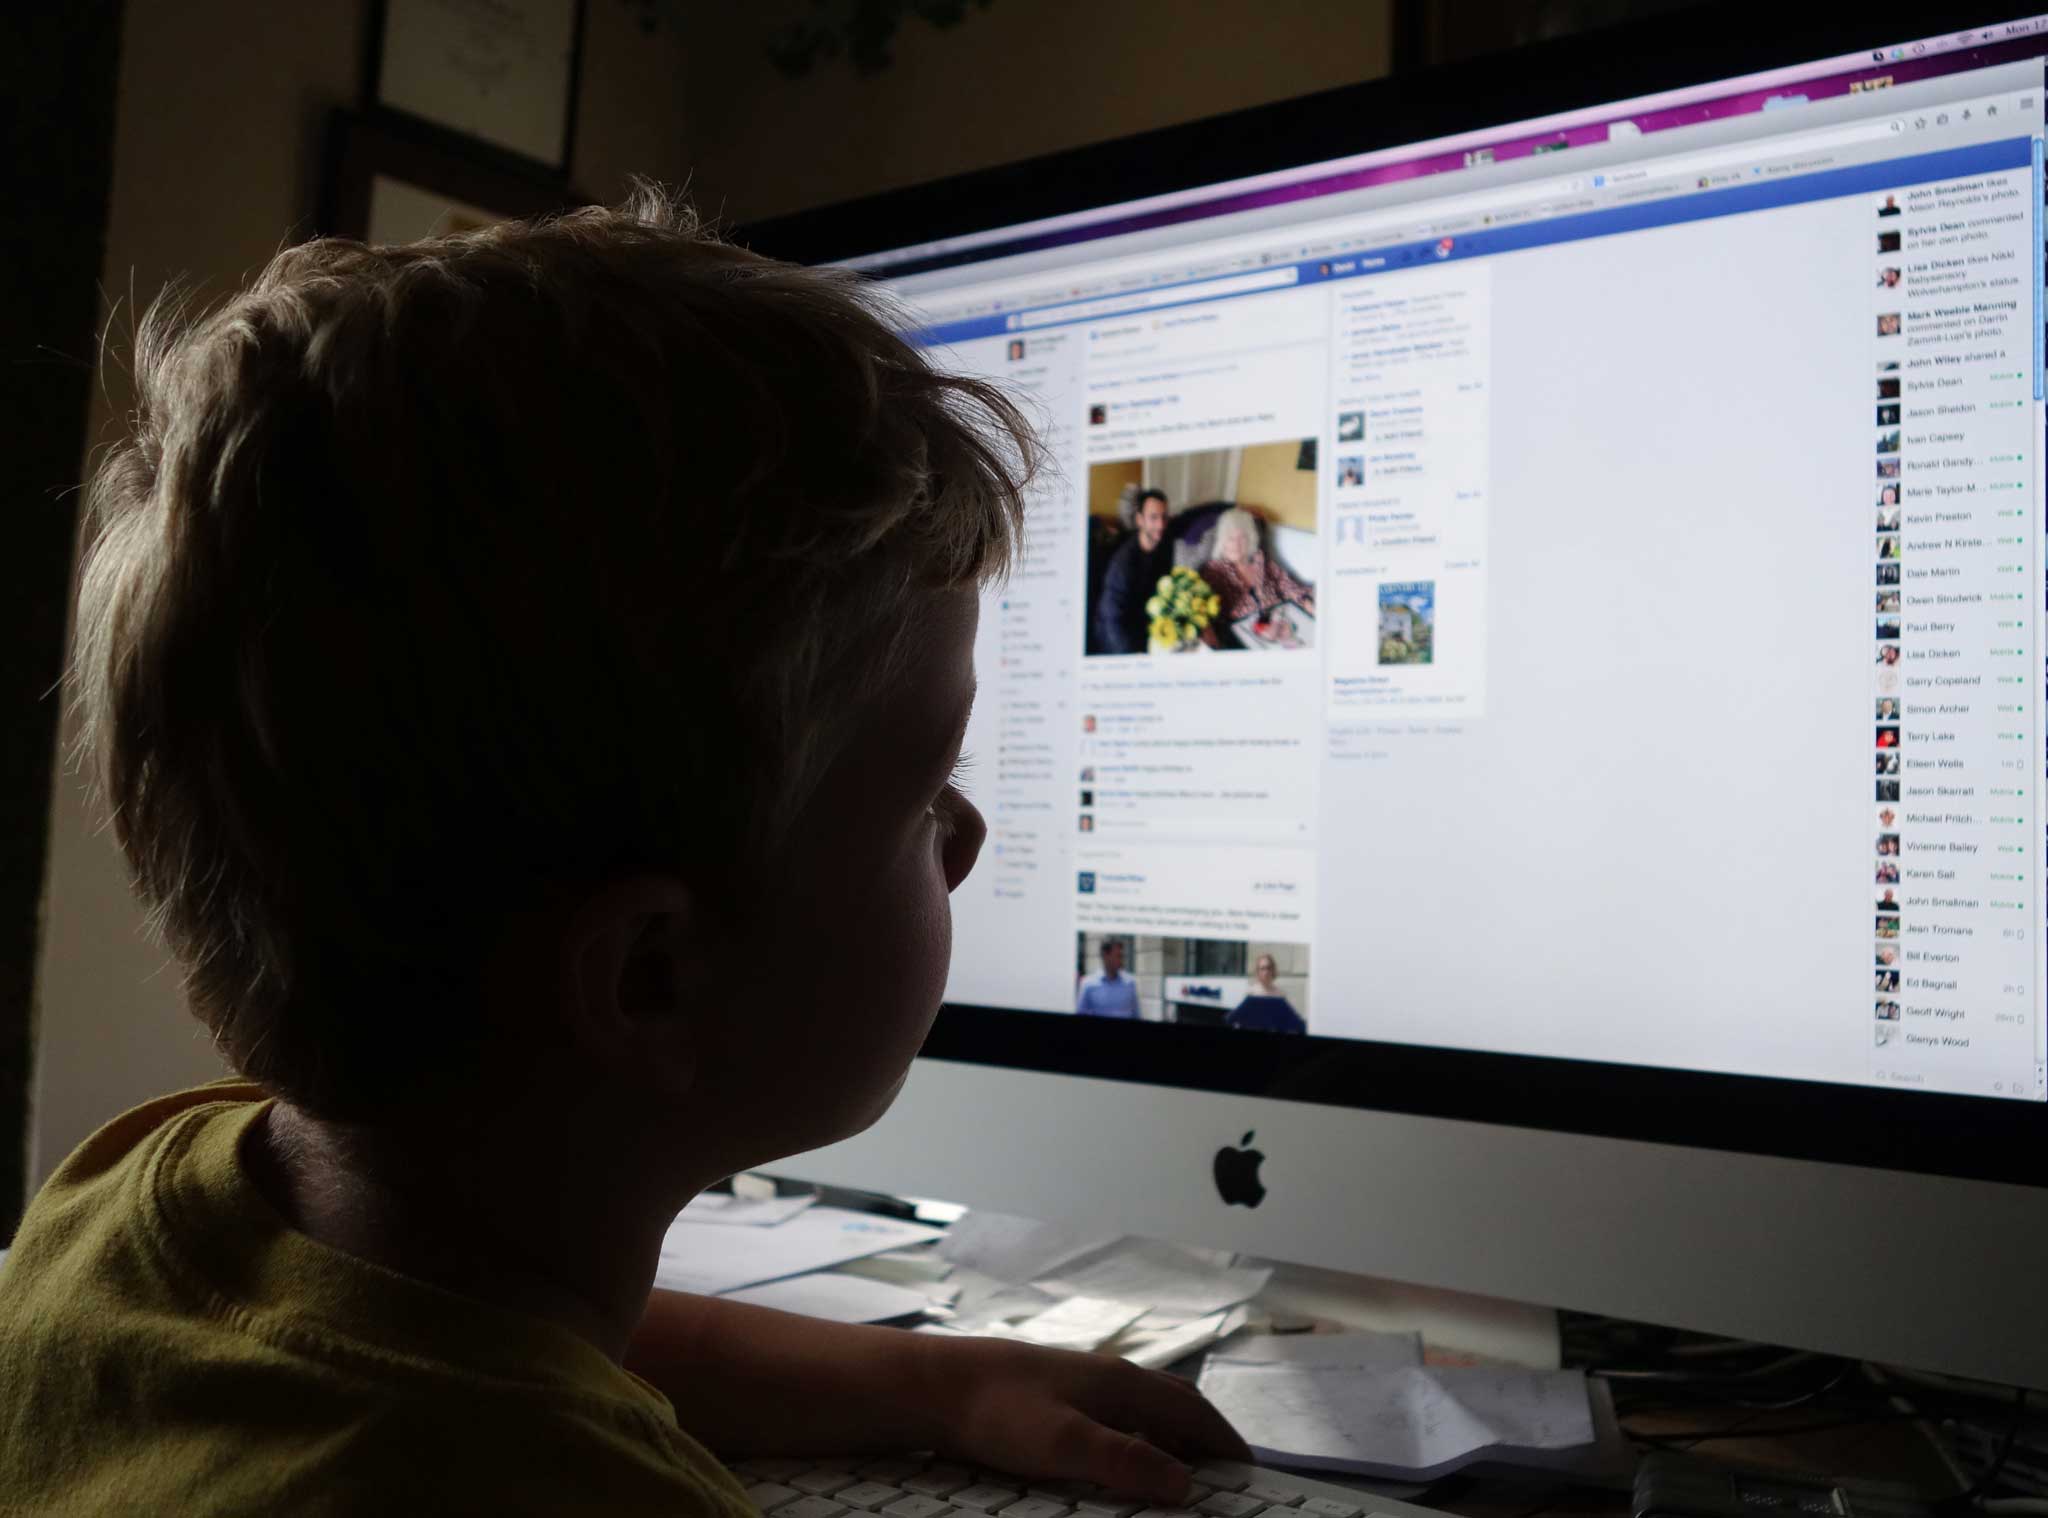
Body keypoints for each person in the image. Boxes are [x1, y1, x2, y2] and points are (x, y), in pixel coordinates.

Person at [0, 190, 1246, 1512]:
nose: (970, 835)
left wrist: (929, 1382)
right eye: (925, 787)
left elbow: (503, 1349)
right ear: (654, 975)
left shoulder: (136, 1206)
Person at [1201, 508, 1315, 644]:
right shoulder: (1214, 571)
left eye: (1242, 538)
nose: (1237, 545)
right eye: (1231, 539)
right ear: (1222, 542)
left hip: (1283, 620)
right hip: (1246, 634)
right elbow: (1210, 612)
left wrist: (1305, 602)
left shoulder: (1261, 560)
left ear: (1250, 539)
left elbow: (1286, 584)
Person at [1094, 488, 1174, 654]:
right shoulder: (1123, 564)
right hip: (1116, 637)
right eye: (1153, 517)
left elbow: (1188, 516)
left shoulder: (1163, 544)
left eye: (1164, 517)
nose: (1161, 525)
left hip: (1146, 624)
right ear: (1139, 520)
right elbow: (1112, 620)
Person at [1226, 953, 1306, 1034]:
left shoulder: (1280, 994)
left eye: (1268, 968)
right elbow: (1234, 1019)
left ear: (1273, 970)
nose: (1266, 972)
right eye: (1263, 968)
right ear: (1258, 971)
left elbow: (1290, 1021)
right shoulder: (1251, 993)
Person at [1076, 940, 1142, 1018]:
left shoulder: (1130, 983)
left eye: (1122, 956)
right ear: (1105, 956)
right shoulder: (1088, 984)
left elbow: (1136, 1015)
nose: (1122, 960)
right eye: (1118, 956)